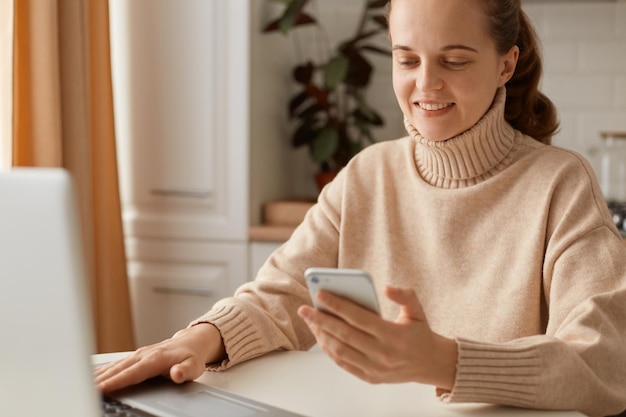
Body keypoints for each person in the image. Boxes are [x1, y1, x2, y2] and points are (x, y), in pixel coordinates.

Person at [96, 0, 626, 415]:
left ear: (505, 64)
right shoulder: (368, 174)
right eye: (407, 59)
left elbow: (604, 361)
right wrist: (199, 339)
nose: (426, 84)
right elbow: (281, 294)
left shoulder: (560, 183)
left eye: (455, 60)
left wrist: (444, 361)